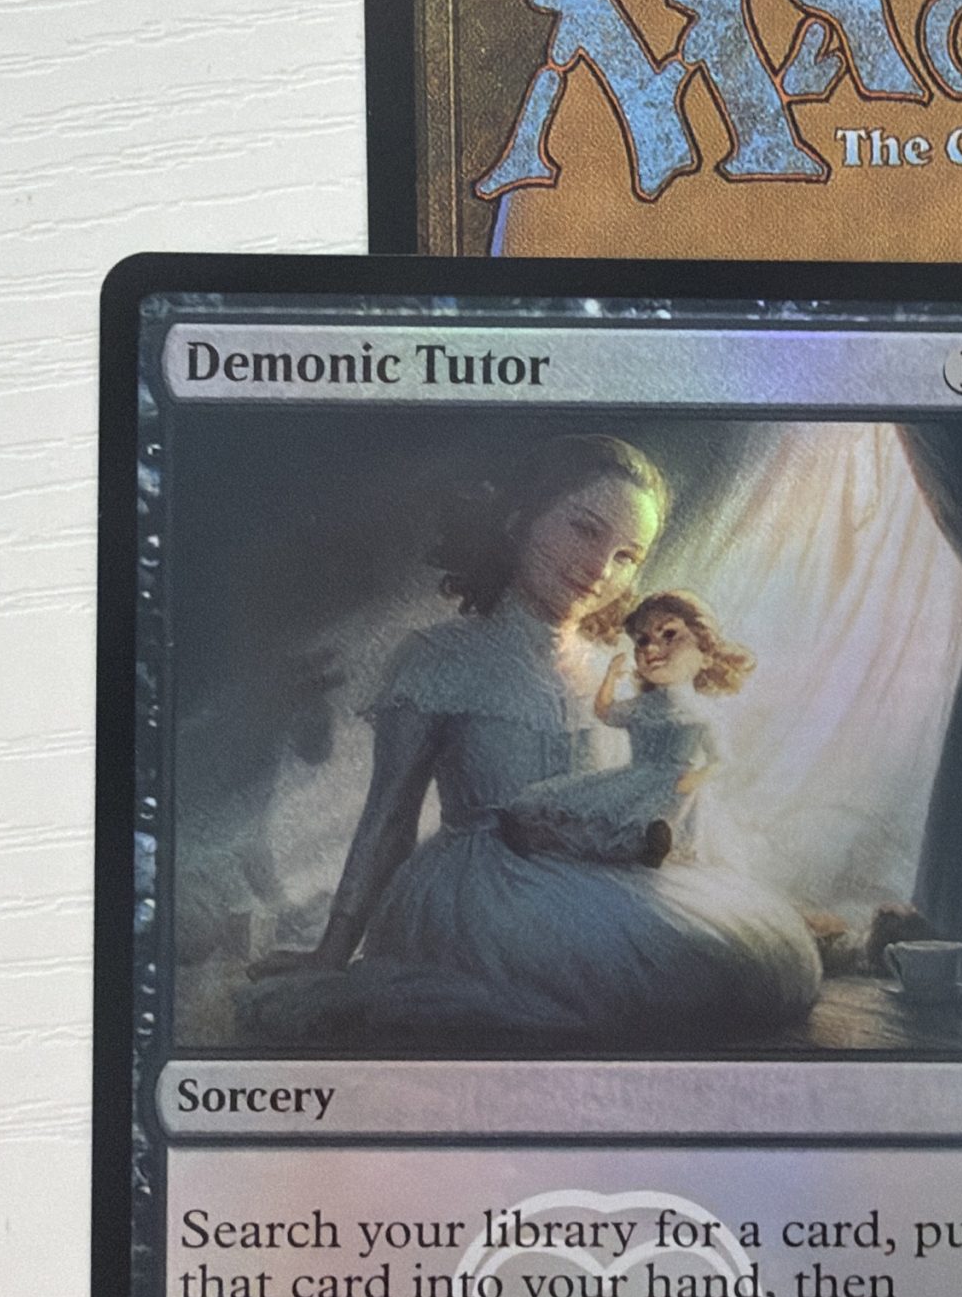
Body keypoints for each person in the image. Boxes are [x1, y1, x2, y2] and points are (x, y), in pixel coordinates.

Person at [241, 435, 820, 1044]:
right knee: (649, 978)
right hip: (480, 894)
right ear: (521, 517)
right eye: (584, 529)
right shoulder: (440, 659)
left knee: (762, 962)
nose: (600, 568)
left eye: (627, 556)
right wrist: (332, 953)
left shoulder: (616, 672)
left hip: (594, 881)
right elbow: (388, 820)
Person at [499, 589, 751, 869]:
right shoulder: (642, 706)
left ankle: (653, 843)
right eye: (642, 641)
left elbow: (722, 760)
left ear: (705, 654)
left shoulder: (703, 713)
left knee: (662, 815)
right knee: (589, 811)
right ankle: (541, 834)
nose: (650, 649)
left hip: (679, 790)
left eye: (669, 634)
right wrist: (610, 678)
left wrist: (696, 778)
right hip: (633, 780)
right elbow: (606, 712)